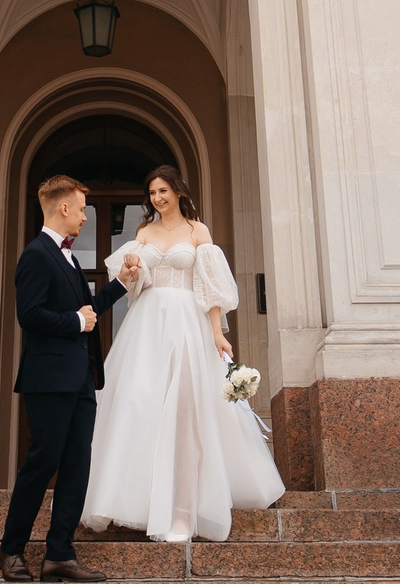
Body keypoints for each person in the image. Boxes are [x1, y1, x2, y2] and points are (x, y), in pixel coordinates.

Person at [82, 163, 284, 542]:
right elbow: (136, 286)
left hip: (187, 323)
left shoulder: (197, 231)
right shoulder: (143, 232)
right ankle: (132, 502)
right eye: (152, 192)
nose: (157, 198)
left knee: (186, 413)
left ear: (178, 191)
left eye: (163, 190)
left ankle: (181, 512)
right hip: (147, 325)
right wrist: (133, 269)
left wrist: (216, 333)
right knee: (139, 406)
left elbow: (209, 287)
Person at [0, 172, 140, 582]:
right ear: (62, 207)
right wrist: (75, 321)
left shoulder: (69, 258)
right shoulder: (36, 254)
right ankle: (10, 550)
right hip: (48, 378)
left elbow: (87, 309)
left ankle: (60, 554)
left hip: (80, 380)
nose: (84, 217)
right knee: (43, 462)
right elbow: (30, 315)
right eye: (80, 209)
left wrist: (121, 284)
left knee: (77, 464)